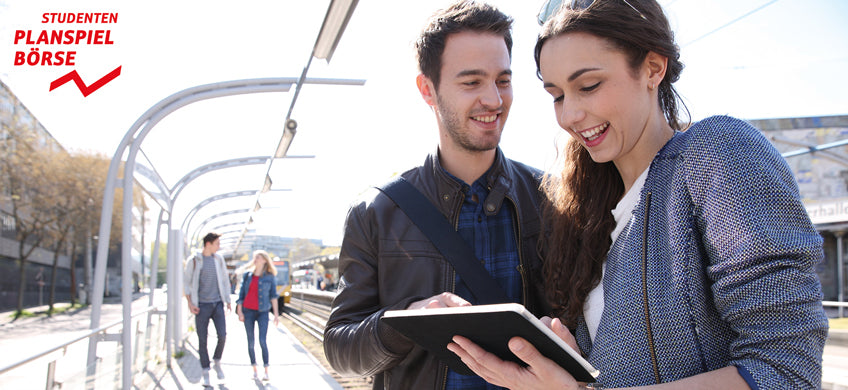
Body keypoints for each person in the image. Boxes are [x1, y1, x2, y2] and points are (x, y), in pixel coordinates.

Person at [447, 1, 829, 389]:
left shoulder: (715, 154)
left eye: (589, 86)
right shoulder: (588, 216)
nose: (570, 115)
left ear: (653, 68)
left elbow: (786, 370)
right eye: (557, 95)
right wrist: (575, 372)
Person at [323, 1, 552, 389]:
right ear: (427, 90)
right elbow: (339, 349)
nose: (494, 100)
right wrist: (406, 321)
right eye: (471, 82)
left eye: (502, 80)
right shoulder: (376, 212)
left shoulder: (552, 200)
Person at [183, 232, 232, 387]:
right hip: (201, 306)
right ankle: (205, 371)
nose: (219, 246)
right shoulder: (194, 260)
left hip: (217, 304)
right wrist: (190, 303)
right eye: (217, 243)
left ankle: (217, 360)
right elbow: (186, 283)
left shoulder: (219, 259)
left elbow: (224, 280)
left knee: (222, 335)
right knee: (202, 340)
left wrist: (228, 300)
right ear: (208, 244)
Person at [235, 250, 280, 381]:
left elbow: (273, 296)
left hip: (263, 312)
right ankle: (254, 369)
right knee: (250, 342)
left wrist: (276, 315)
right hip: (248, 311)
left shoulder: (270, 277)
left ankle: (266, 370)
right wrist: (239, 311)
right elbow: (241, 294)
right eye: (255, 257)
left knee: (262, 341)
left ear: (265, 260)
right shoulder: (247, 275)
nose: (255, 259)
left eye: (258, 257)